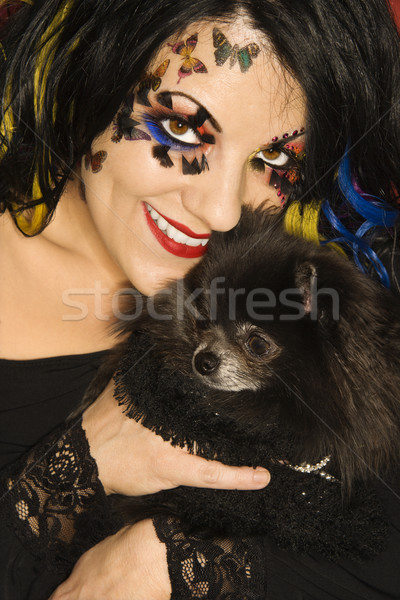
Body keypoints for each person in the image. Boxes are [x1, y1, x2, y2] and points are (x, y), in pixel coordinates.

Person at [0, 0, 399, 599]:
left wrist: (166, 563)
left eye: (273, 160)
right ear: (91, 72)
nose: (222, 209)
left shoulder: (311, 297)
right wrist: (79, 465)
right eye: (185, 128)